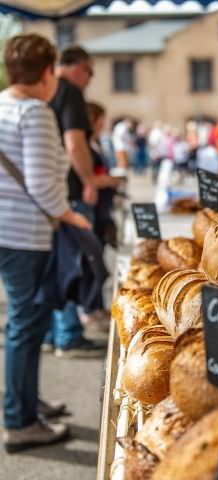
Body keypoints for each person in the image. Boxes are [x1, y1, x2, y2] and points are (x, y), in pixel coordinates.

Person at [0, 34, 91, 453]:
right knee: (26, 325)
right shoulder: (34, 111)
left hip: (7, 230)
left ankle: (27, 402)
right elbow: (40, 182)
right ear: (47, 72)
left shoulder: (2, 104)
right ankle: (19, 421)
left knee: (25, 325)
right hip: (25, 234)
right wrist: (71, 216)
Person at [46, 45, 106, 356]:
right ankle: (68, 335)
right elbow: (75, 142)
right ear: (79, 68)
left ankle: (52, 334)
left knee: (54, 265)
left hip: (46, 194)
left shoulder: (45, 91)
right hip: (68, 193)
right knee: (74, 265)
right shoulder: (69, 92)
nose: (89, 80)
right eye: (91, 72)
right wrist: (89, 181)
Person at [87, 101, 122, 250]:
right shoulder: (86, 146)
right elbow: (90, 178)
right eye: (102, 119)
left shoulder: (97, 143)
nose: (104, 124)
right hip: (94, 208)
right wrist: (110, 181)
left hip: (103, 207)